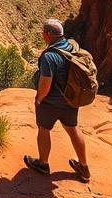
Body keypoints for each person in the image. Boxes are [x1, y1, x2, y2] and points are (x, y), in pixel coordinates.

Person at [23, 18, 90, 183]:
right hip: (71, 99)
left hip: (51, 103)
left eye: (43, 33)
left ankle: (43, 164)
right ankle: (83, 166)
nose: (42, 35)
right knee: (73, 129)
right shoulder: (72, 46)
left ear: (47, 34)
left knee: (44, 129)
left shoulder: (49, 56)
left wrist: (39, 99)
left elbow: (45, 84)